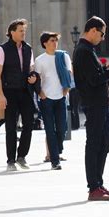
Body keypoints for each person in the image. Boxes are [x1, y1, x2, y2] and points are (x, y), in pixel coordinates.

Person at [73, 16, 109, 201]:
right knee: (94, 143)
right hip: (93, 103)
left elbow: (96, 74)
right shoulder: (83, 51)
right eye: (102, 34)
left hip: (99, 103)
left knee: (104, 143)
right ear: (93, 30)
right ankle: (93, 187)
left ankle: (98, 184)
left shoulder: (88, 50)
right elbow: (94, 80)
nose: (102, 38)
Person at [0, 19, 37, 171]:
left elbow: (31, 68)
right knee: (11, 127)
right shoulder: (2, 49)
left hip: (25, 91)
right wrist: (0, 95)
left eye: (24, 31)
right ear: (12, 32)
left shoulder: (28, 49)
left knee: (29, 124)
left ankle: (21, 156)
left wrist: (33, 77)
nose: (23, 33)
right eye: (20, 30)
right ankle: (11, 160)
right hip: (9, 92)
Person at [35, 32, 72, 170]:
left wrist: (66, 91)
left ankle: (57, 150)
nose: (55, 42)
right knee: (50, 130)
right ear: (45, 43)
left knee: (62, 129)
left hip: (61, 97)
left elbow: (70, 74)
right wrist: (41, 93)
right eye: (52, 40)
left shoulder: (63, 56)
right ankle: (55, 161)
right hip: (46, 99)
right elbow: (37, 80)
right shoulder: (40, 60)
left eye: (56, 40)